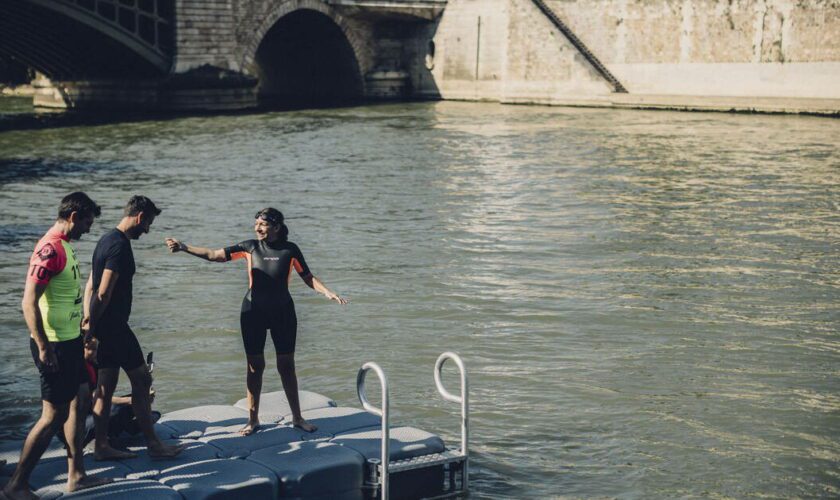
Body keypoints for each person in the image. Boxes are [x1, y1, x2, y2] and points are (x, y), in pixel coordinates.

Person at [165, 208, 347, 436]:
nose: (257, 228)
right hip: (253, 312)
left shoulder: (290, 250)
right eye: (256, 224)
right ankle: (253, 420)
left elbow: (307, 277)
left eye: (262, 224)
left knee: (286, 366)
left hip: (283, 312)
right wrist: (184, 247)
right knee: (254, 367)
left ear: (277, 227)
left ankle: (298, 418)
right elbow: (214, 255)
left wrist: (327, 292)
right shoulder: (249, 247)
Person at [3, 192, 110, 500]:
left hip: (71, 341)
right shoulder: (49, 250)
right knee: (53, 416)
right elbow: (28, 302)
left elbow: (66, 298)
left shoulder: (65, 246)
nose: (89, 228)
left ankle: (76, 476)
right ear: (74, 217)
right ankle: (16, 485)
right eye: (87, 222)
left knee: (80, 400)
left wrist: (82, 329)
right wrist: (43, 346)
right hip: (53, 346)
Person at [85, 195, 183, 460]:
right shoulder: (119, 246)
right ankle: (154, 445)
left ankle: (101, 445)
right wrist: (91, 329)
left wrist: (88, 324)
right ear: (140, 217)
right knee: (142, 380)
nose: (148, 229)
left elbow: (90, 286)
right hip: (115, 328)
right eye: (148, 223)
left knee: (105, 387)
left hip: (104, 327)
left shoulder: (105, 240)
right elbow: (103, 293)